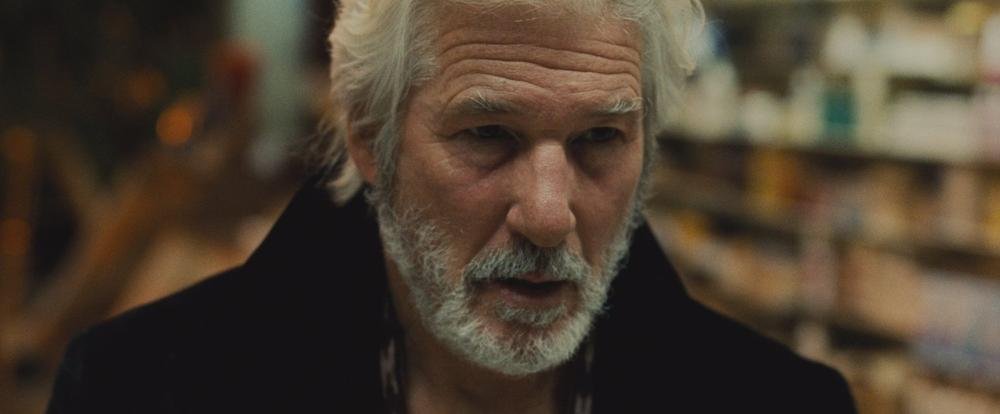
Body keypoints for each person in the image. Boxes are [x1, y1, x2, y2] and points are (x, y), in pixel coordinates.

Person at [47, 0, 857, 412]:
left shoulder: (784, 407)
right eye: (488, 134)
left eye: (599, 139)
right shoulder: (140, 392)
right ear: (371, 136)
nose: (549, 214)